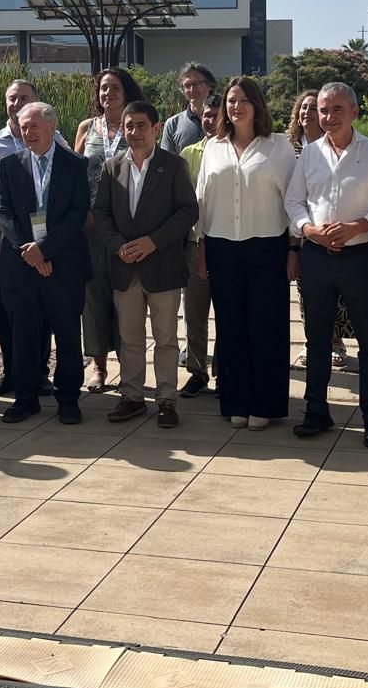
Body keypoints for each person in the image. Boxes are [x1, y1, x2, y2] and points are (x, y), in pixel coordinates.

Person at [286, 83, 368, 447]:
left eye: (336, 110)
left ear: (354, 112)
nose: (327, 117)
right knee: (317, 339)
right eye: (322, 110)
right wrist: (309, 230)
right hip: (318, 257)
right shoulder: (310, 155)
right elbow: (294, 201)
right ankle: (316, 411)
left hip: (361, 257)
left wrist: (357, 226)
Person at [197, 76, 297, 429]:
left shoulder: (279, 147)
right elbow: (202, 200)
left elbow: (292, 202)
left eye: (242, 100)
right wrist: (201, 248)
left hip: (267, 246)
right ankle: (235, 401)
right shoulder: (213, 147)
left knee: (266, 326)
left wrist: (293, 248)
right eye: (230, 101)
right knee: (230, 327)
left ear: (257, 105)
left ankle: (265, 404)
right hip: (222, 246)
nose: (235, 107)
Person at [93, 100, 199, 428]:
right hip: (125, 267)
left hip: (162, 265)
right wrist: (118, 245)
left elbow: (187, 211)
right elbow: (101, 213)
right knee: (130, 337)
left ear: (155, 128)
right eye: (129, 126)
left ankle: (167, 399)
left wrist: (154, 242)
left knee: (165, 338)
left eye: (141, 125)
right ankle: (132, 397)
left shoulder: (173, 165)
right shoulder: (112, 167)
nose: (135, 132)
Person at [0, 101, 91, 424]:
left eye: (34, 126)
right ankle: (25, 398)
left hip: (63, 266)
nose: (28, 132)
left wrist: (45, 250)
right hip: (23, 266)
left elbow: (77, 214)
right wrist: (30, 251)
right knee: (23, 334)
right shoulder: (9, 166)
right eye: (23, 127)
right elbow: (4, 214)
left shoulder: (76, 165)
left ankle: (68, 399)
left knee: (66, 334)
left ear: (51, 127)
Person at [0, 78, 61, 398]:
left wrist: (45, 247)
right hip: (9, 242)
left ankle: (40, 372)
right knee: (6, 311)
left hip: (46, 245)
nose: (17, 104)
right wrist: (20, 243)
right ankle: (11, 370)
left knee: (43, 312)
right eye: (12, 98)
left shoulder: (56, 138)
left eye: (24, 98)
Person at [75, 68, 144, 392]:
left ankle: (130, 365)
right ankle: (98, 366)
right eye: (103, 88)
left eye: (114, 88)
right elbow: (75, 175)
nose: (108, 94)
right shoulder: (87, 128)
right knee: (94, 297)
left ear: (126, 92)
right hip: (90, 227)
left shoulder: (136, 127)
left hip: (126, 227)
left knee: (127, 296)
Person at [288, 89, 352, 370]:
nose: (307, 113)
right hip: (300, 232)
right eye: (303, 108)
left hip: (338, 234)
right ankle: (312, 340)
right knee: (307, 292)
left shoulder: (343, 146)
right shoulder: (289, 148)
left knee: (337, 294)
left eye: (313, 108)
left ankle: (336, 341)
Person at [178, 92, 222, 398]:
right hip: (193, 244)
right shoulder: (188, 153)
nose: (210, 121)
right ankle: (197, 371)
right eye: (206, 116)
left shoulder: (234, 150)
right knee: (194, 313)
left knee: (227, 312)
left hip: (226, 245)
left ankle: (225, 372)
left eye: (216, 116)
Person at [161, 62, 217, 154]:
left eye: (196, 84)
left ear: (209, 86)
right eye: (187, 85)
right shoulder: (173, 124)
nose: (192, 89)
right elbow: (167, 162)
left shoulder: (224, 119)